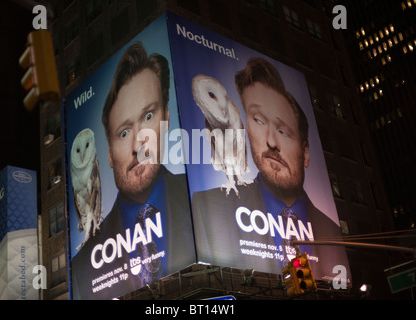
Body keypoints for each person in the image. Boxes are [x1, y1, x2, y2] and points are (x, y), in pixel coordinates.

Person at [192, 57, 349, 279]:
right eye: (258, 120)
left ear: (305, 152)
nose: (271, 142)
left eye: (283, 131)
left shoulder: (332, 234)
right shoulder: (210, 208)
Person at [71, 41, 194, 300]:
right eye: (124, 133)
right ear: (108, 155)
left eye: (148, 116)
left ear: (166, 120)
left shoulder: (203, 203)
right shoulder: (82, 269)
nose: (138, 144)